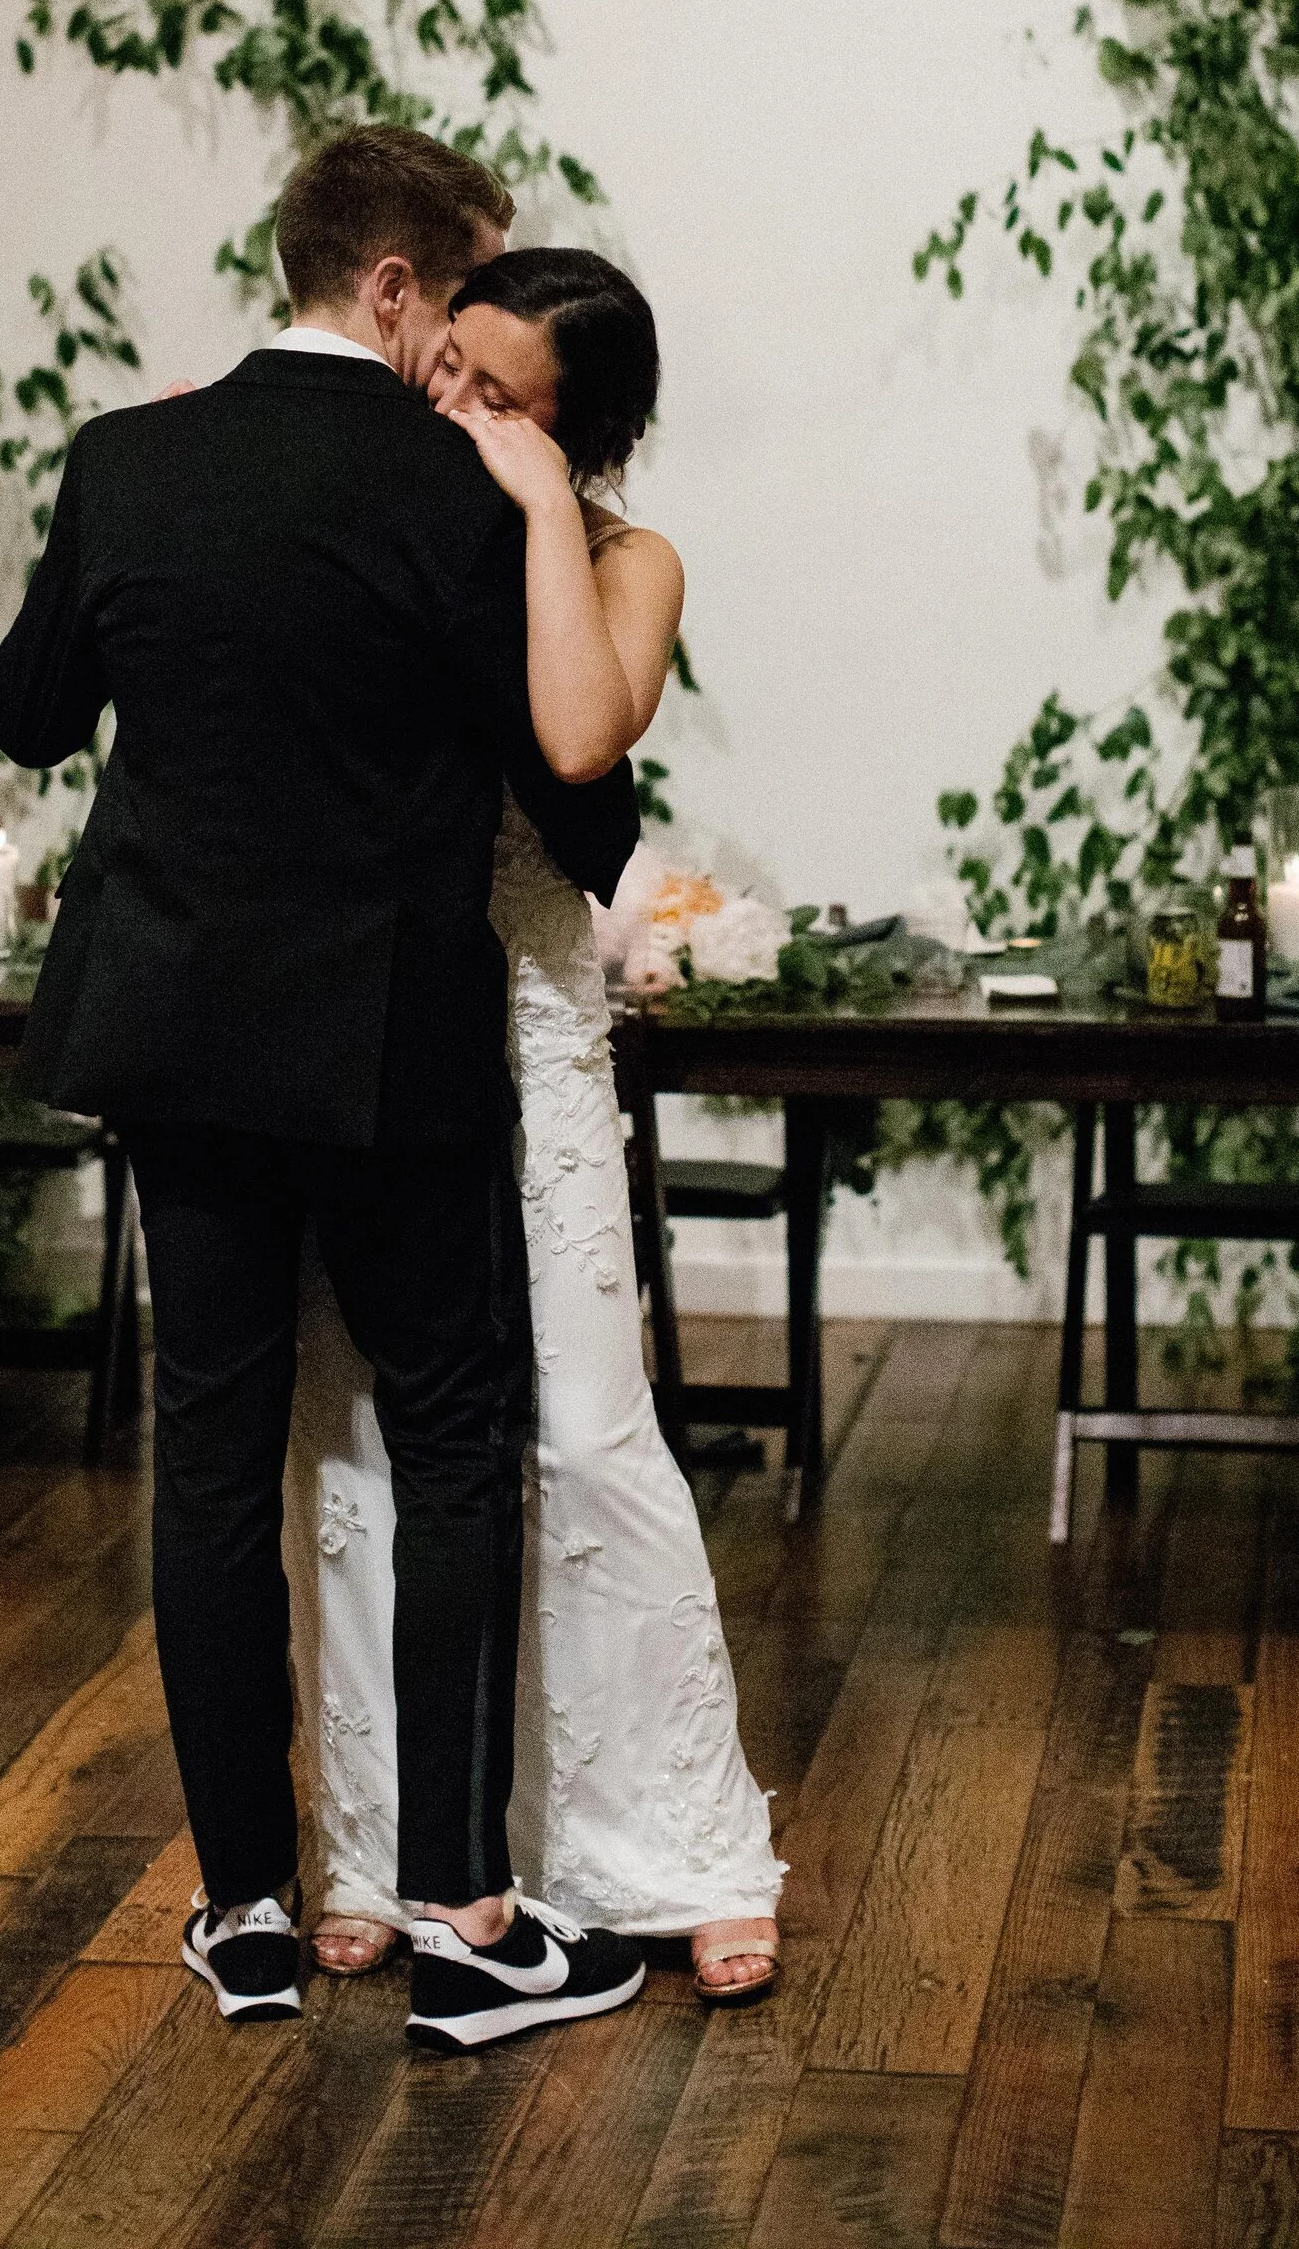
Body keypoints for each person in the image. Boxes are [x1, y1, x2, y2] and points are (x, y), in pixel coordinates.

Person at [0, 125, 649, 2051]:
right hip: (387, 1047)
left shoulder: (129, 455)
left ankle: (246, 1912)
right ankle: (459, 1913)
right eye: (461, 299)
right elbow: (577, 802)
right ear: (390, 287)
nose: (467, 347)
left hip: (178, 1036)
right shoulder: (449, 492)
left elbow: (33, 713)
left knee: (211, 1457)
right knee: (453, 1445)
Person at [289, 249, 784, 2006]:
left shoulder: (626, 557)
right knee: (358, 1419)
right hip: (379, 997)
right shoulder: (370, 510)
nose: (456, 408)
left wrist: (522, 506)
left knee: (583, 1422)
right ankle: (375, 1842)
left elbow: (578, 730)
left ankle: (669, 1847)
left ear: (586, 439)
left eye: (505, 396)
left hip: (538, 997)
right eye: (453, 374)